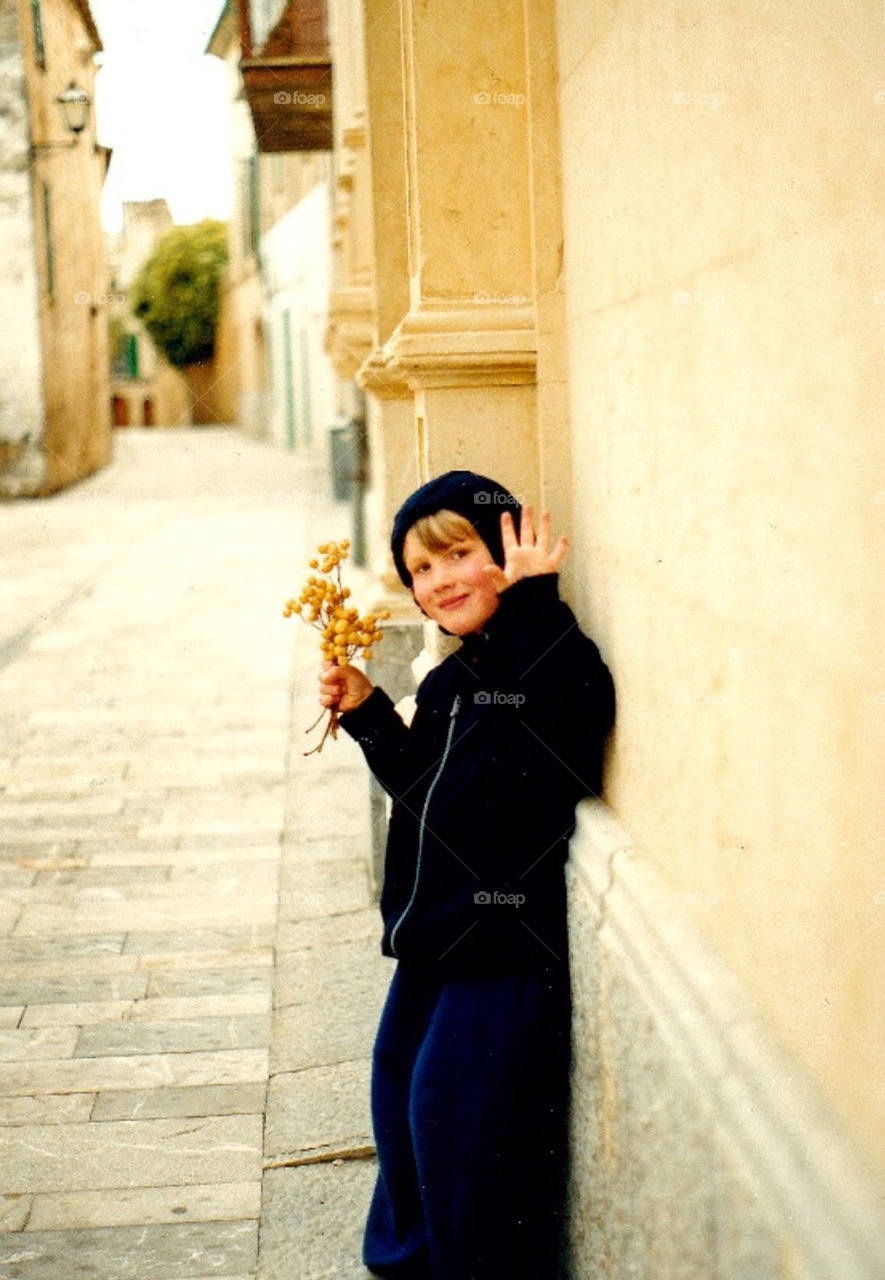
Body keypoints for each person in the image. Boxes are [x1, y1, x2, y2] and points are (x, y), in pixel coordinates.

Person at [317, 470, 616, 1280]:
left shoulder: (549, 655)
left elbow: (564, 711)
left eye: (457, 553)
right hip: (434, 947)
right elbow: (424, 784)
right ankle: (413, 1263)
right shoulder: (453, 679)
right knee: (398, 1101)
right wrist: (369, 712)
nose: (439, 580)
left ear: (506, 551)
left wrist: (532, 601)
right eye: (420, 568)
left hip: (502, 951)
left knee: (454, 1121)